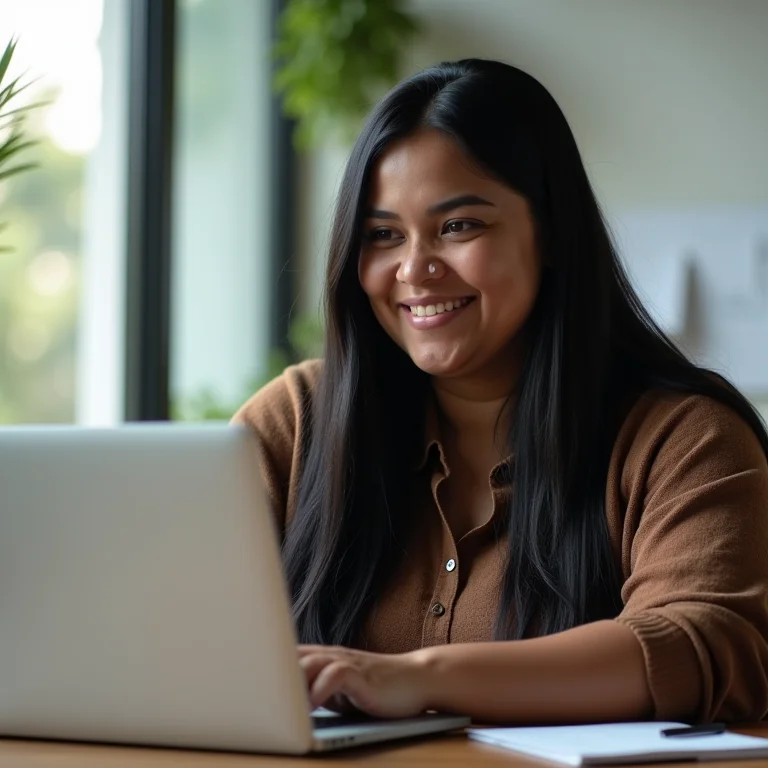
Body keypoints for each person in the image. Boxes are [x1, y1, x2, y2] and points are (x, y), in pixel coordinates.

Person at [233, 58, 768, 724]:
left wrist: (421, 678)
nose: (415, 269)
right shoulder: (298, 420)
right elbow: (165, 608)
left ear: (550, 233)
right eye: (383, 236)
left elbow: (705, 644)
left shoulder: (682, 437)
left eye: (459, 226)